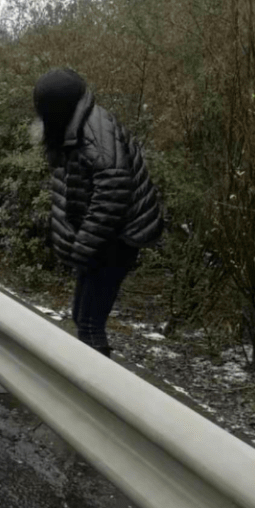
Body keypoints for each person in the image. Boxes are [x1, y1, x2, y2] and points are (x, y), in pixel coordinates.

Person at [32, 67, 163, 357]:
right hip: (102, 234)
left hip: (119, 236)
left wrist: (82, 246)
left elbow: (113, 195)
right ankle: (87, 379)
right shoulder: (72, 125)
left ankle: (97, 389)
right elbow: (68, 183)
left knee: (90, 323)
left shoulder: (95, 134)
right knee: (82, 316)